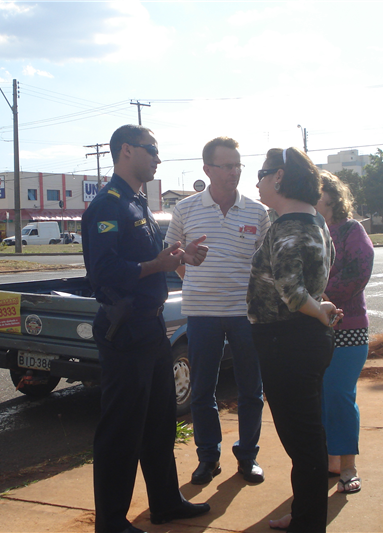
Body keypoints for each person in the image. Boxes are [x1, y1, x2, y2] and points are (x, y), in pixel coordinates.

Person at [82, 124, 210, 533]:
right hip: (127, 332)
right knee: (121, 431)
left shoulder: (137, 202)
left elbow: (146, 259)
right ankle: (112, 522)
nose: (158, 158)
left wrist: (180, 257)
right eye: (151, 150)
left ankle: (166, 503)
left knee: (159, 423)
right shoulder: (109, 204)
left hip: (152, 328)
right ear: (125, 151)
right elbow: (103, 271)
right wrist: (158, 265)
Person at [246, 147, 342, 532]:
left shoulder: (288, 226)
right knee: (308, 434)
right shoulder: (313, 218)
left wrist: (318, 309)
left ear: (280, 177)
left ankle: (308, 523)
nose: (257, 181)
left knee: (301, 441)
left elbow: (291, 290)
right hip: (302, 340)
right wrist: (318, 306)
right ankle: (305, 513)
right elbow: (317, 271)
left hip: (285, 341)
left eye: (262, 173)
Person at [165, 136, 270, 486]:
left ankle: (248, 456)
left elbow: (265, 264)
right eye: (225, 166)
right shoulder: (186, 209)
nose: (233, 172)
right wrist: (191, 274)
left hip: (246, 315)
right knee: (202, 389)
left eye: (237, 165)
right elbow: (172, 254)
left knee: (251, 389)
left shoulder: (257, 211)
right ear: (207, 169)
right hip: (202, 314)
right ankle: (208, 457)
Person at [316, 171, 374, 495]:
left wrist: (321, 297)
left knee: (339, 395)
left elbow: (359, 268)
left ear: (333, 197)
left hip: (348, 327)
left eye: (319, 191)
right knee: (321, 398)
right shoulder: (308, 228)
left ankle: (348, 466)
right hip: (312, 328)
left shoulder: (351, 230)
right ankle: (331, 460)